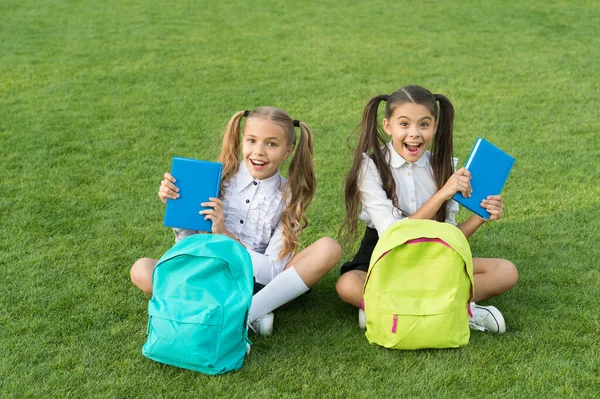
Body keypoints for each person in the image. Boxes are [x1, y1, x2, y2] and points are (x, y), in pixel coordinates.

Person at [131, 107, 341, 335]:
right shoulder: (217, 179)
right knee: (141, 269)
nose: (259, 151)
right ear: (243, 140)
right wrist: (176, 206)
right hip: (207, 274)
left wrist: (225, 236)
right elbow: (186, 245)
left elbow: (272, 273)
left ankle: (244, 313)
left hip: (255, 286)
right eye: (252, 140)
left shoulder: (288, 196)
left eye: (271, 144)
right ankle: (240, 314)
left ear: (287, 151)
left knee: (329, 248)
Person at [336, 85, 518, 333]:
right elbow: (392, 233)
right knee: (347, 284)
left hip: (433, 258)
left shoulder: (445, 167)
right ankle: (455, 310)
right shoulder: (370, 167)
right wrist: (443, 192)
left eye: (424, 124)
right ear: (388, 126)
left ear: (435, 126)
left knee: (505, 272)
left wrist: (481, 216)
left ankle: (387, 310)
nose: (414, 134)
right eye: (404, 124)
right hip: (384, 256)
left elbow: (451, 236)